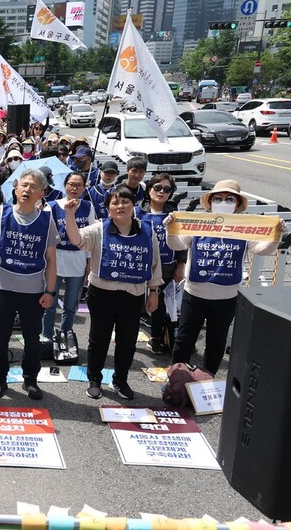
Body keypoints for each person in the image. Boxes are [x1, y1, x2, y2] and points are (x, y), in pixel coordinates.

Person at [165, 179, 284, 375]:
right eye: (218, 198)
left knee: (216, 343)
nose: (223, 202)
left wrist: (276, 237)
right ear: (210, 202)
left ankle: (207, 381)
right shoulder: (198, 223)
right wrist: (170, 230)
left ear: (237, 204)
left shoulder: (244, 226)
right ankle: (176, 378)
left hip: (226, 298)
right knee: (184, 339)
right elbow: (176, 245)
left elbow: (261, 250)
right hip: (194, 294)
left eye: (230, 199)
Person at [0, 169, 58, 401]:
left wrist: (50, 291)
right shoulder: (1, 213)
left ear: (41, 193)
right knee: (0, 337)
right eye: (24, 185)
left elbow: (52, 260)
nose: (27, 190)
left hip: (33, 292)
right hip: (2, 289)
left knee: (32, 340)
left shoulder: (47, 220)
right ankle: (0, 379)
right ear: (15, 189)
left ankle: (30, 380)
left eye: (33, 187)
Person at [62, 186, 163, 400]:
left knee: (127, 342)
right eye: (115, 203)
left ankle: (120, 380)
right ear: (108, 208)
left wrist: (154, 291)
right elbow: (76, 239)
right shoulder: (99, 229)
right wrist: (69, 214)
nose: (120, 206)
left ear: (133, 204)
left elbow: (155, 263)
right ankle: (94, 379)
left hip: (133, 296)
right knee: (99, 339)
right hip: (102, 295)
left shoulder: (148, 230)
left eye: (125, 201)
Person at [42, 171, 96, 362]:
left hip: (78, 260)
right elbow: (46, 234)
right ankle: (46, 339)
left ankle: (65, 338)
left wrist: (89, 261)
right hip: (56, 259)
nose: (74, 188)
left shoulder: (88, 207)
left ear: (84, 188)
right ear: (64, 186)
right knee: (49, 304)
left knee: (71, 305)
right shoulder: (53, 206)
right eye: (71, 184)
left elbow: (90, 236)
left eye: (78, 185)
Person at [135, 173, 185, 354]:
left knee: (160, 305)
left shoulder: (174, 216)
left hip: (166, 267)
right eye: (157, 187)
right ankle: (127, 336)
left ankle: (156, 338)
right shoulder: (137, 212)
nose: (161, 192)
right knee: (135, 303)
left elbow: (182, 243)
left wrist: (181, 264)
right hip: (139, 265)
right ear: (149, 190)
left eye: (166, 189)